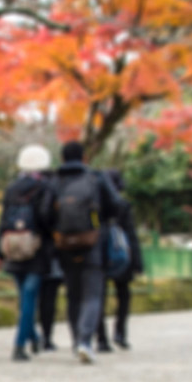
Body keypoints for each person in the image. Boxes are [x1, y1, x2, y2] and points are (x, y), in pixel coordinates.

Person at [47, 141, 121, 363]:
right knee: (92, 294)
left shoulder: (54, 182)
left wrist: (57, 233)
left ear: (62, 158)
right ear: (84, 157)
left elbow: (44, 212)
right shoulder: (96, 178)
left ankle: (76, 340)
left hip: (64, 245)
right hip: (93, 243)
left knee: (73, 294)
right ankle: (85, 341)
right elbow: (116, 204)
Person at [0, 145, 53, 361]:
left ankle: (34, 337)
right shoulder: (45, 187)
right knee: (29, 298)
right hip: (36, 250)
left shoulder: (12, 188)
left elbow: (3, 222)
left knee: (25, 298)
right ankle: (19, 346)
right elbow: (47, 219)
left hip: (12, 249)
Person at [96, 171, 143, 351]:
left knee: (99, 297)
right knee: (123, 295)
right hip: (121, 254)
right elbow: (130, 234)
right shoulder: (122, 205)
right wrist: (137, 262)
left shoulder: (96, 204)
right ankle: (120, 332)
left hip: (99, 254)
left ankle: (101, 338)